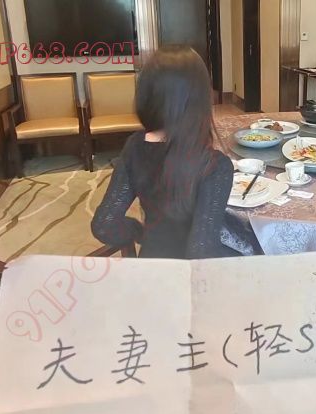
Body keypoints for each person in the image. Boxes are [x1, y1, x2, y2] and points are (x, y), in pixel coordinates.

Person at [91, 46, 235, 259]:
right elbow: (201, 250)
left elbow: (104, 224)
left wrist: (139, 232)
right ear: (200, 101)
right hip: (187, 277)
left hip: (151, 267)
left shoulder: (134, 146)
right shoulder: (215, 166)